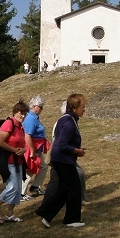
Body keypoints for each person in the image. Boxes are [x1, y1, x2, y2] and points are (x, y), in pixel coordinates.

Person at [35, 93, 87, 228]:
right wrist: (77, 151)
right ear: (75, 108)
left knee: (64, 188)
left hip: (60, 158)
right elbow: (62, 144)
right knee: (75, 187)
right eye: (82, 107)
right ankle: (71, 219)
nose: (84, 109)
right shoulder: (69, 122)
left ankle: (45, 213)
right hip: (64, 159)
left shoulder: (66, 119)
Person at [0, 100, 29, 224]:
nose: (22, 116)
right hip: (8, 161)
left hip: (18, 161)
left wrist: (24, 149)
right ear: (15, 112)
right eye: (20, 113)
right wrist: (15, 150)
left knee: (18, 188)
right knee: (12, 187)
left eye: (24, 113)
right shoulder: (8, 124)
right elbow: (0, 142)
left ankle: (10, 214)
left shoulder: (20, 126)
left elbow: (22, 142)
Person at [21, 96, 49, 201]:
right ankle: (21, 193)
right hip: (31, 148)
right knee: (30, 169)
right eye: (40, 107)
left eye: (42, 107)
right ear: (33, 106)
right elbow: (27, 135)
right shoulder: (30, 118)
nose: (42, 109)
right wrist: (32, 150)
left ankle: (35, 187)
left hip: (37, 148)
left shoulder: (34, 117)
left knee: (43, 166)